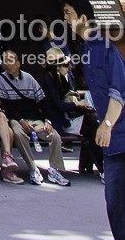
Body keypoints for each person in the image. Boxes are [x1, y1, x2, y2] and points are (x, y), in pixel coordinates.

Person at [64, 0, 125, 240]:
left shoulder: (105, 49)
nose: (64, 18)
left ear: (83, 17)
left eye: (68, 13)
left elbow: (118, 92)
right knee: (115, 207)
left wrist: (107, 124)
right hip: (112, 146)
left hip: (119, 134)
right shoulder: (85, 50)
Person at [0, 48, 71, 186]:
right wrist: (21, 120)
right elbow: (8, 106)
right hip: (17, 119)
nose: (6, 63)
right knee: (19, 134)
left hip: (34, 118)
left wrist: (47, 121)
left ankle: (55, 169)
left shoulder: (29, 79)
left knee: (54, 135)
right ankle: (33, 169)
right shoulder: (2, 78)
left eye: (10, 59)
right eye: (5, 59)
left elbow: (42, 101)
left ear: (18, 63)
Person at [40, 41, 102, 175]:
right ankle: (103, 168)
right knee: (91, 126)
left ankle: (99, 167)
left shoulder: (62, 79)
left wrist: (86, 107)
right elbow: (59, 105)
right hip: (59, 122)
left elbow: (70, 100)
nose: (69, 67)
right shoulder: (48, 79)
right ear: (57, 66)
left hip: (67, 118)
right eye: (65, 65)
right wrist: (78, 104)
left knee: (91, 129)